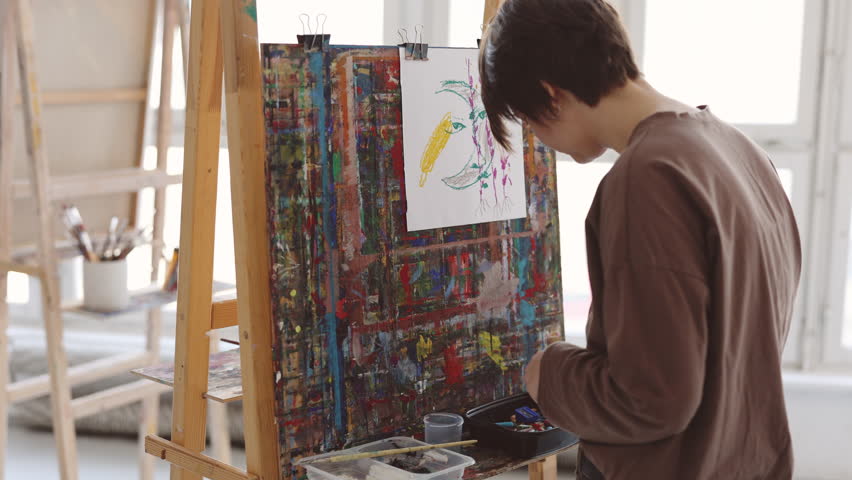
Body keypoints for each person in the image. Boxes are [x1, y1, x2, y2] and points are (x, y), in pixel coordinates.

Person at [478, 0, 802, 478]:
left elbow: (652, 400)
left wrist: (550, 373)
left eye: (529, 122)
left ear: (550, 95)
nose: (540, 141)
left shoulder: (648, 178)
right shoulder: (739, 149)